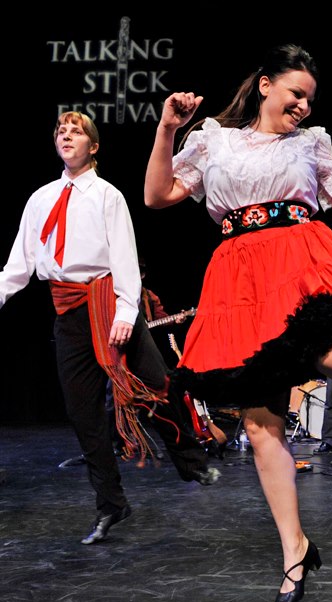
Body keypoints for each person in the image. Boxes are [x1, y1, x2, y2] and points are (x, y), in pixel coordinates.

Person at [144, 43, 332, 602]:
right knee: (261, 426)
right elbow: (157, 196)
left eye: (309, 98)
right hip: (239, 276)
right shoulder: (213, 138)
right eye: (295, 93)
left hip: (301, 260)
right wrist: (166, 128)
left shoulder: (312, 143)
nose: (304, 105)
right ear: (264, 85)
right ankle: (294, 551)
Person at [0, 111, 220, 546]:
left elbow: (123, 257)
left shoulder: (107, 196)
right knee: (84, 415)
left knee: (157, 386)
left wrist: (124, 313)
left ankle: (191, 461)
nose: (65, 136)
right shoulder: (41, 198)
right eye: (60, 130)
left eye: (76, 131)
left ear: (93, 147)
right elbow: (18, 266)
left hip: (109, 304)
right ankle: (111, 504)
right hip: (69, 314)